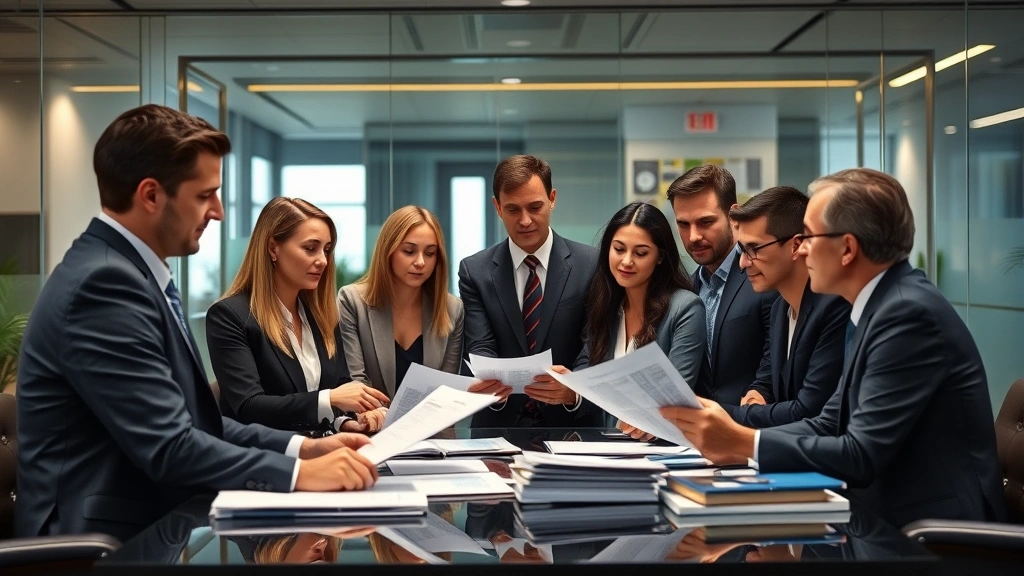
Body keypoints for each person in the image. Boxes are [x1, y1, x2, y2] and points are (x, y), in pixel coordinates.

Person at [15, 105, 377, 541]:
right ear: (151, 195)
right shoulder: (106, 284)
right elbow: (169, 446)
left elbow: (193, 424)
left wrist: (304, 446)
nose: (219, 211)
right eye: (205, 195)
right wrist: (300, 472)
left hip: (145, 526)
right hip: (94, 544)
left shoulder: (133, 274)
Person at [661, 168, 1006, 527]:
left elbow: (860, 454)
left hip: (931, 530)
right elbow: (829, 423)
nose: (801, 248)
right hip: (883, 515)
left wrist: (743, 440)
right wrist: (729, 430)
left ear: (847, 249)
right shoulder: (877, 305)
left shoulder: (906, 314)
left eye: (809, 235)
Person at [207, 197, 390, 435]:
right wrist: (330, 398)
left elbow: (339, 387)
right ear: (273, 248)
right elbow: (249, 406)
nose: (323, 261)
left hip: (326, 453)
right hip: (269, 461)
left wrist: (353, 418)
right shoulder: (230, 317)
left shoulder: (322, 318)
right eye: (310, 248)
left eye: (326, 250)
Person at [458, 154, 603, 427]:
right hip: (498, 424)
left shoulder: (591, 264)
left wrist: (575, 389)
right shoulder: (474, 271)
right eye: (513, 209)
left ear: (552, 199)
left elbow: (594, 342)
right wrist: (491, 389)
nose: (525, 220)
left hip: (572, 424)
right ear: (497, 207)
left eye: (535, 207)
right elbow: (480, 345)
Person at [572, 202, 706, 435]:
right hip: (606, 450)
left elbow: (676, 398)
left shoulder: (686, 308)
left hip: (660, 453)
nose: (626, 261)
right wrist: (571, 385)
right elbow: (591, 376)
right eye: (619, 249)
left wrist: (650, 421)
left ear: (660, 257)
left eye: (641, 253)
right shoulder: (606, 306)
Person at [723, 186, 850, 428]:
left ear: (795, 246)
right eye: (741, 250)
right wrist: (757, 394)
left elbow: (809, 410)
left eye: (754, 249)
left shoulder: (835, 305)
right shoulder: (779, 307)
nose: (743, 263)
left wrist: (719, 415)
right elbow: (767, 381)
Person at [667, 165, 775, 406]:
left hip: (751, 427)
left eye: (705, 222)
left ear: (733, 216)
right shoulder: (686, 290)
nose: (693, 236)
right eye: (683, 224)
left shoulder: (764, 277)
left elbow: (774, 361)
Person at [338, 206, 464, 399]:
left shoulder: (452, 309)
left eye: (430, 253)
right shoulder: (352, 301)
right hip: (370, 425)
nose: (420, 262)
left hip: (430, 426)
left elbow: (445, 390)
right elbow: (357, 383)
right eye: (409, 251)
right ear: (388, 251)